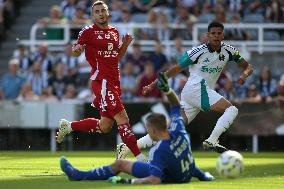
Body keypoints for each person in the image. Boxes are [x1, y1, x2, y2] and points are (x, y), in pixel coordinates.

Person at [117, 21, 253, 158]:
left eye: (219, 33)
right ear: (208, 35)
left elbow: (248, 66)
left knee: (169, 130)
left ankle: (128, 147)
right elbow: (175, 69)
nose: (216, 36)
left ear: (223, 35)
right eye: (213, 33)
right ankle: (212, 140)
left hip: (194, 93)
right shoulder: (198, 52)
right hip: (196, 88)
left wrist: (244, 75)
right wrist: (153, 84)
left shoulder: (229, 51)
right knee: (231, 109)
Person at [60, 73, 215, 184]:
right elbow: (175, 105)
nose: (148, 132)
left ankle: (78, 175)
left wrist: (127, 182)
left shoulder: (159, 151)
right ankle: (203, 175)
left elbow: (155, 179)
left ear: (153, 131)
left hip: (171, 177)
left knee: (120, 164)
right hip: (186, 173)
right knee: (183, 160)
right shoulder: (179, 130)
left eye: (148, 130)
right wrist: (167, 90)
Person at [56, 0, 145, 162]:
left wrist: (124, 45)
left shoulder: (114, 32)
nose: (101, 13)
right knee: (122, 118)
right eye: (97, 11)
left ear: (108, 12)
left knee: (105, 126)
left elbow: (115, 57)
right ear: (93, 15)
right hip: (101, 81)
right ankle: (140, 158)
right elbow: (76, 51)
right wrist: (76, 51)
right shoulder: (88, 31)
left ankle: (68, 126)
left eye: (103, 10)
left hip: (114, 81)